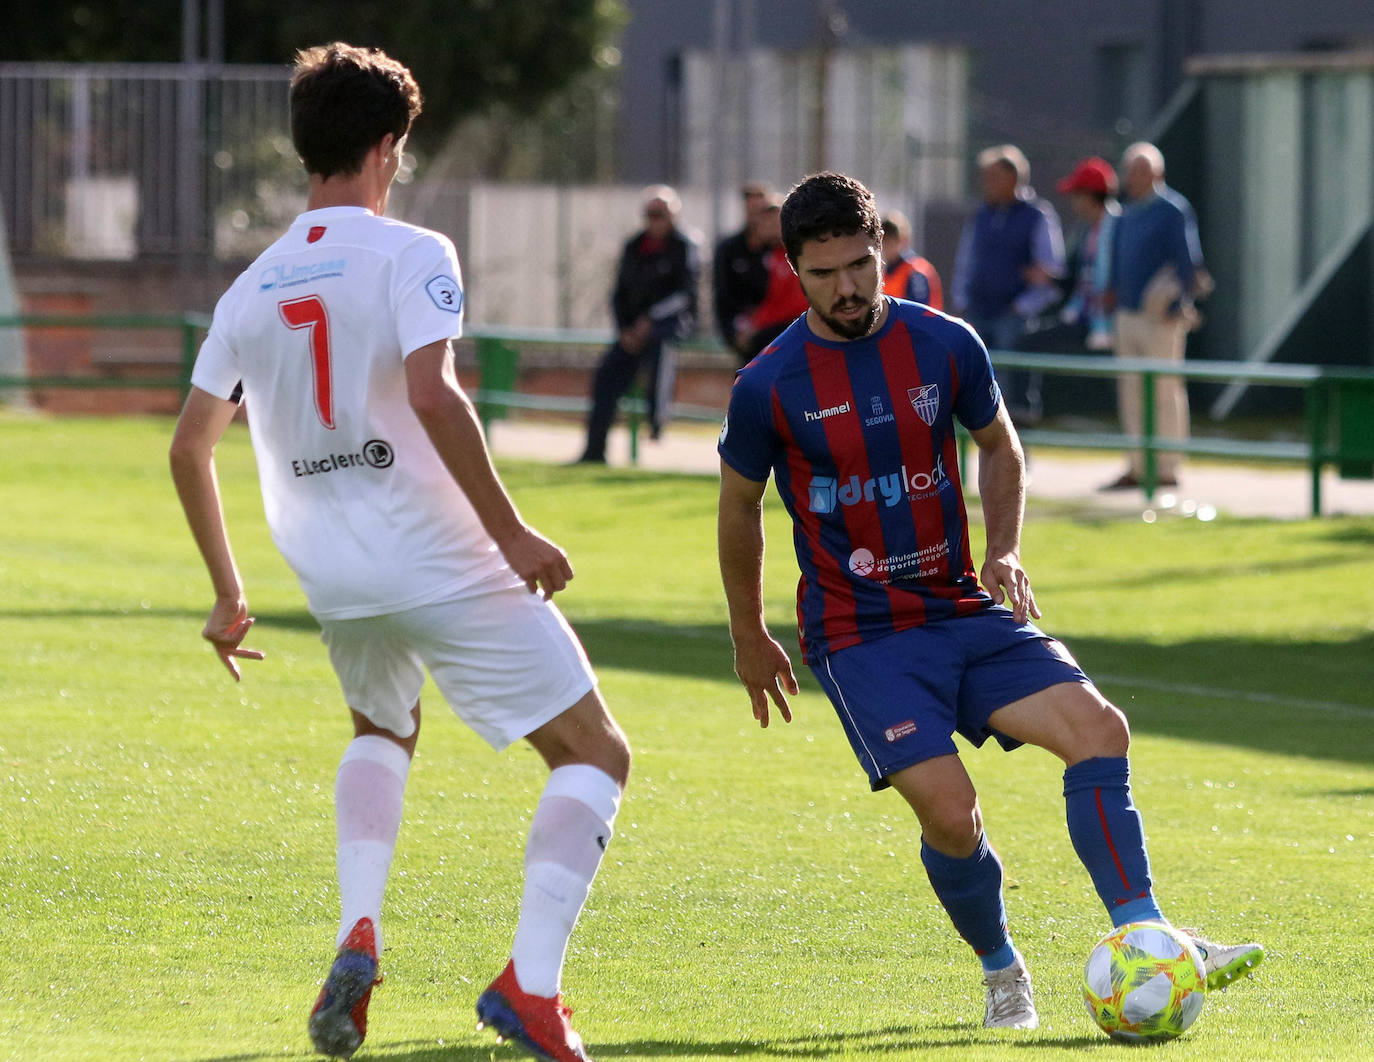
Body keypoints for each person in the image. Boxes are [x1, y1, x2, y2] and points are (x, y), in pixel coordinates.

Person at [716, 170, 1262, 1032]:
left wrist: (1004, 546)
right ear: (795, 270)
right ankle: (1003, 970)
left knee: (1099, 730)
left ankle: (1150, 938)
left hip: (959, 606)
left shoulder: (945, 344)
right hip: (860, 635)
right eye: (824, 275)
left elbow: (1000, 448)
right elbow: (739, 507)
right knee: (950, 810)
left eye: (861, 264)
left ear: (881, 249)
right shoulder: (769, 384)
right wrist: (748, 634)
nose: (848, 287)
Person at [168, 43, 629, 1062]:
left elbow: (188, 445)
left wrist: (227, 592)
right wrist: (511, 532)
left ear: (306, 149)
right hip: (440, 557)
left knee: (383, 728)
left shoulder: (249, 288)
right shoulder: (415, 252)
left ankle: (359, 928)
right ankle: (529, 988)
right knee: (596, 753)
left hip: (332, 576)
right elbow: (432, 392)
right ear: (388, 147)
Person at [1100, 142, 1209, 491]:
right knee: (1131, 392)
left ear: (1157, 173)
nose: (1134, 177)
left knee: (1164, 390)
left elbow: (1188, 262)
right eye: (1130, 170)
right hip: (1127, 314)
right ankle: (1136, 466)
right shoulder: (1125, 212)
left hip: (1161, 317)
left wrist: (1179, 305)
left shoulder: (1173, 209)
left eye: (1141, 170)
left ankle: (1166, 468)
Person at [575, 186, 700, 463]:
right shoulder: (634, 245)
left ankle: (656, 420)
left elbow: (684, 294)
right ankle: (594, 450)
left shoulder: (684, 246)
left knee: (660, 350)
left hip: (668, 325)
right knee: (606, 376)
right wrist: (625, 330)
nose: (655, 220)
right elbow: (619, 293)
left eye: (661, 214)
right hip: (633, 330)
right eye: (650, 214)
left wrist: (651, 318)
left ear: (673, 216)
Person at [951, 144, 1064, 427]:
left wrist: (1022, 307)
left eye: (994, 177)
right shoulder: (980, 215)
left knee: (1010, 390)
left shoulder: (1037, 215)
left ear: (1014, 178)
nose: (987, 183)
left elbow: (1051, 271)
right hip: (977, 311)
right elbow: (966, 260)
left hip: (1013, 317)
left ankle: (1015, 451)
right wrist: (961, 298)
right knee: (973, 382)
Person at [1017, 156, 1120, 356]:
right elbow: (1075, 281)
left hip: (1111, 324)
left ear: (1089, 196)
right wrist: (1048, 278)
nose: (1073, 202)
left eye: (1076, 195)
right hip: (1082, 318)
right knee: (1027, 341)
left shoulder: (1121, 228)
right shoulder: (1085, 231)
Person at [734, 199, 811, 363]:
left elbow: (790, 302)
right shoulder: (773, 255)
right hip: (781, 322)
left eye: (773, 223)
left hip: (795, 322)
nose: (767, 228)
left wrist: (756, 327)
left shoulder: (793, 255)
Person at [713, 181, 775, 363]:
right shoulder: (729, 249)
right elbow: (724, 294)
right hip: (740, 322)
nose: (757, 218)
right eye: (752, 210)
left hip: (772, 322)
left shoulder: (780, 250)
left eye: (762, 211)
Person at [881, 210, 943, 310]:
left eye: (890, 241)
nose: (886, 247)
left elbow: (919, 310)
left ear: (902, 240)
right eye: (884, 242)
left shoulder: (916, 271)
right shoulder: (886, 271)